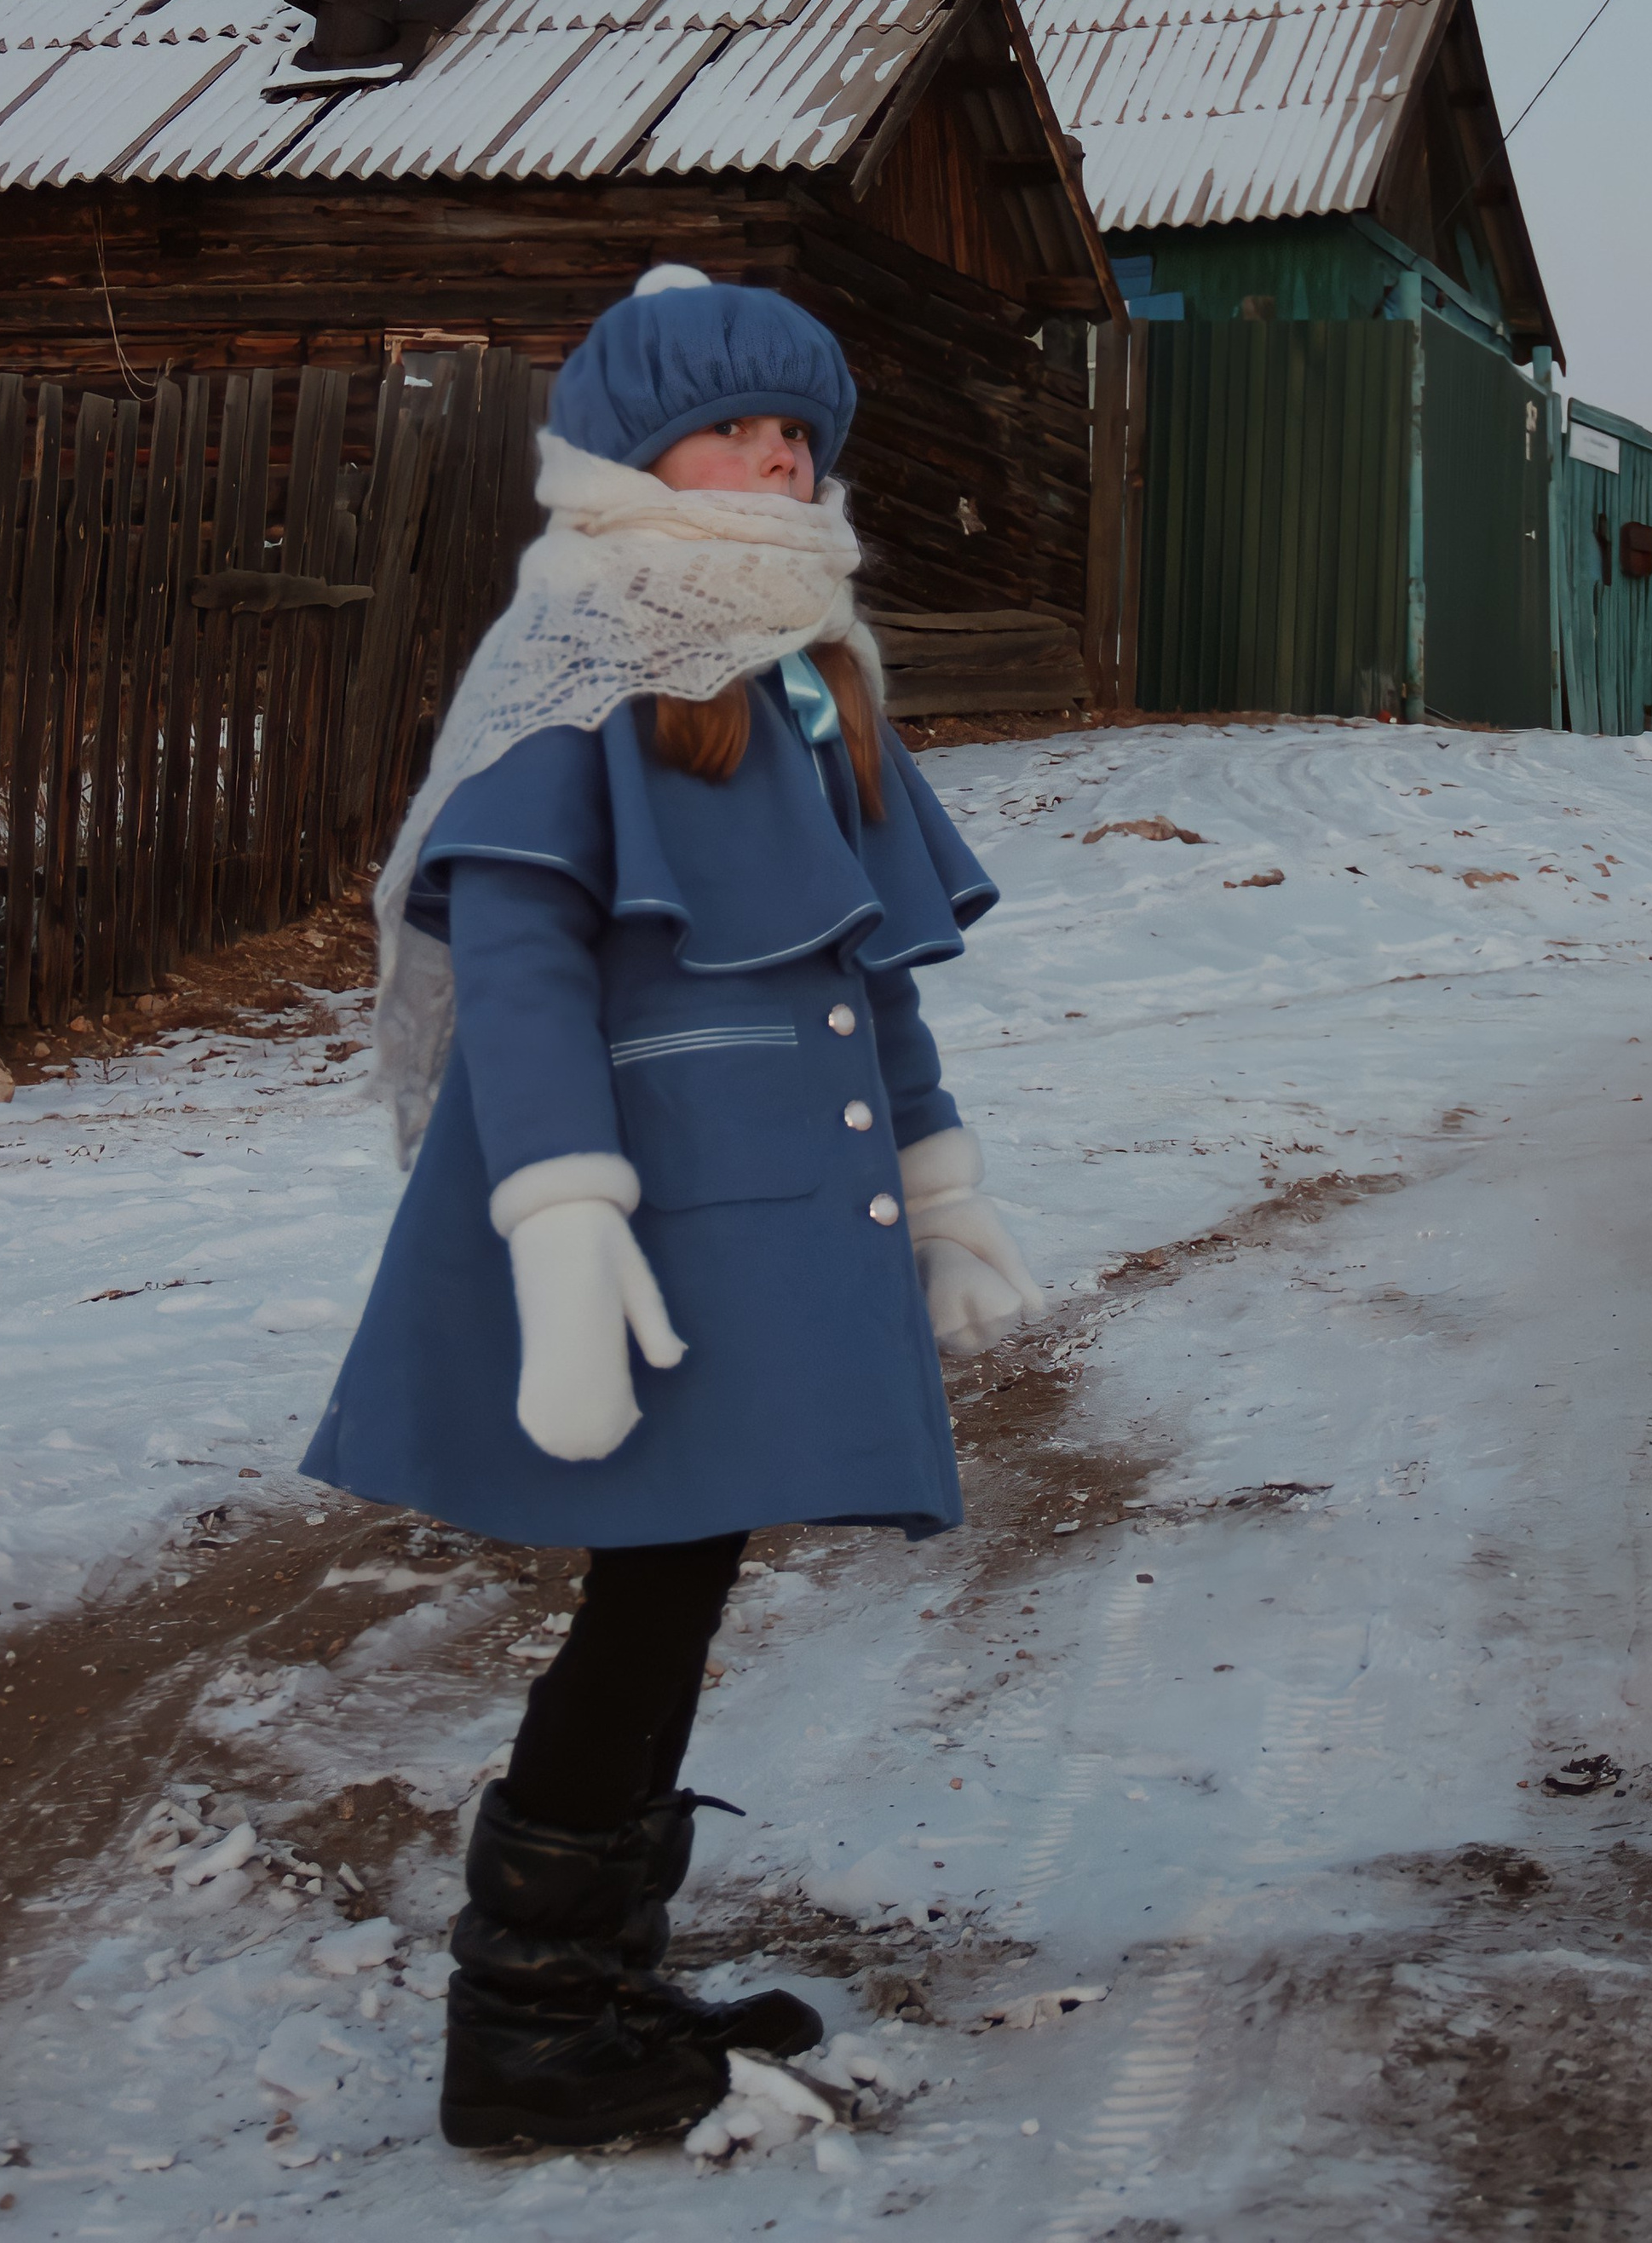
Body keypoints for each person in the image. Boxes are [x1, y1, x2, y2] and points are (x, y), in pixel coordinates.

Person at [300, 266, 1046, 2154]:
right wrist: (558, 1222)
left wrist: (941, 1178)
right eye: (738, 426)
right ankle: (534, 2023)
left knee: (683, 1584)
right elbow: (526, 960)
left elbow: (865, 971)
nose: (780, 455)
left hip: (786, 1198)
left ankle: (592, 1979)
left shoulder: (805, 663)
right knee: (645, 1600)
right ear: (637, 449)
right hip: (654, 1213)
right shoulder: (581, 649)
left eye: (800, 430)